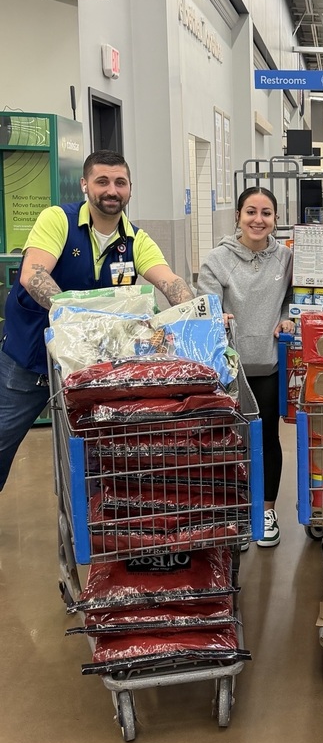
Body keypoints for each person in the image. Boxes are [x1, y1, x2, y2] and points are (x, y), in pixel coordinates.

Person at [0, 150, 194, 492]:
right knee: (2, 438)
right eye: (102, 181)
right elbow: (33, 274)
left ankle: (88, 518)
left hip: (92, 372)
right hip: (31, 361)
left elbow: (170, 282)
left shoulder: (135, 240)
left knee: (94, 454)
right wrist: (77, 317)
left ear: (130, 188)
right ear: (85, 185)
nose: (111, 190)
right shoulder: (58, 220)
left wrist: (200, 311)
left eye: (120, 182)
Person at [196, 187, 294, 548]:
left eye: (266, 213)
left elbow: (293, 299)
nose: (258, 219)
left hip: (268, 367)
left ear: (276, 219)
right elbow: (205, 305)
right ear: (238, 215)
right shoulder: (218, 259)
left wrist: (289, 318)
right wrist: (216, 317)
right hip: (228, 373)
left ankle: (266, 512)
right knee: (228, 444)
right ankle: (235, 512)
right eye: (251, 211)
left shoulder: (285, 259)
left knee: (267, 439)